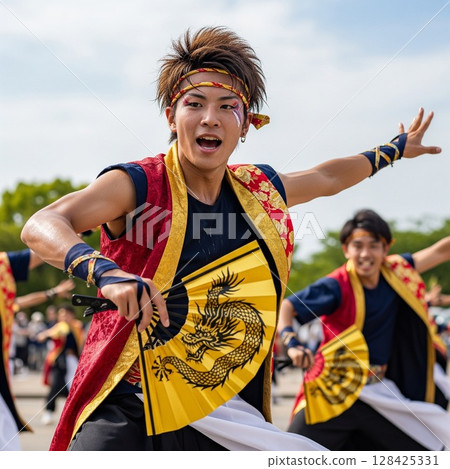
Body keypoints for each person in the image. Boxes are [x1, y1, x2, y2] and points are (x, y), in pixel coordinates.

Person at [21, 26, 441, 451]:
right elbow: (44, 223)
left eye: (228, 106)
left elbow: (327, 177)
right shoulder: (140, 184)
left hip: (219, 404)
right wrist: (104, 272)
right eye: (195, 104)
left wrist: (393, 150)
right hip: (132, 395)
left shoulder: (258, 191)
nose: (210, 118)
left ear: (245, 125)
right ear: (171, 116)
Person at [278, 209, 450, 451]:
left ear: (386, 248)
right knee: (294, 453)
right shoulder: (336, 284)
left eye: (374, 245)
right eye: (357, 246)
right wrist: (292, 344)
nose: (365, 254)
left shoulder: (397, 272)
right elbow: (288, 307)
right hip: (334, 388)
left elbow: (442, 250)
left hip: (378, 390)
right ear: (346, 250)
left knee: (432, 444)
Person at [0, 249, 74, 450]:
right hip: (60, 361)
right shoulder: (64, 326)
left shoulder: (69, 326)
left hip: (67, 361)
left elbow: (19, 303)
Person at [38, 304, 84, 425]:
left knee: (75, 386)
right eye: (62, 314)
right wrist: (44, 335)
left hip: (73, 360)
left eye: (66, 314)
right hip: (59, 361)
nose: (64, 317)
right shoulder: (61, 326)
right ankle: (48, 412)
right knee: (55, 386)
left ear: (72, 315)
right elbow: (53, 332)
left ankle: (74, 414)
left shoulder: (77, 326)